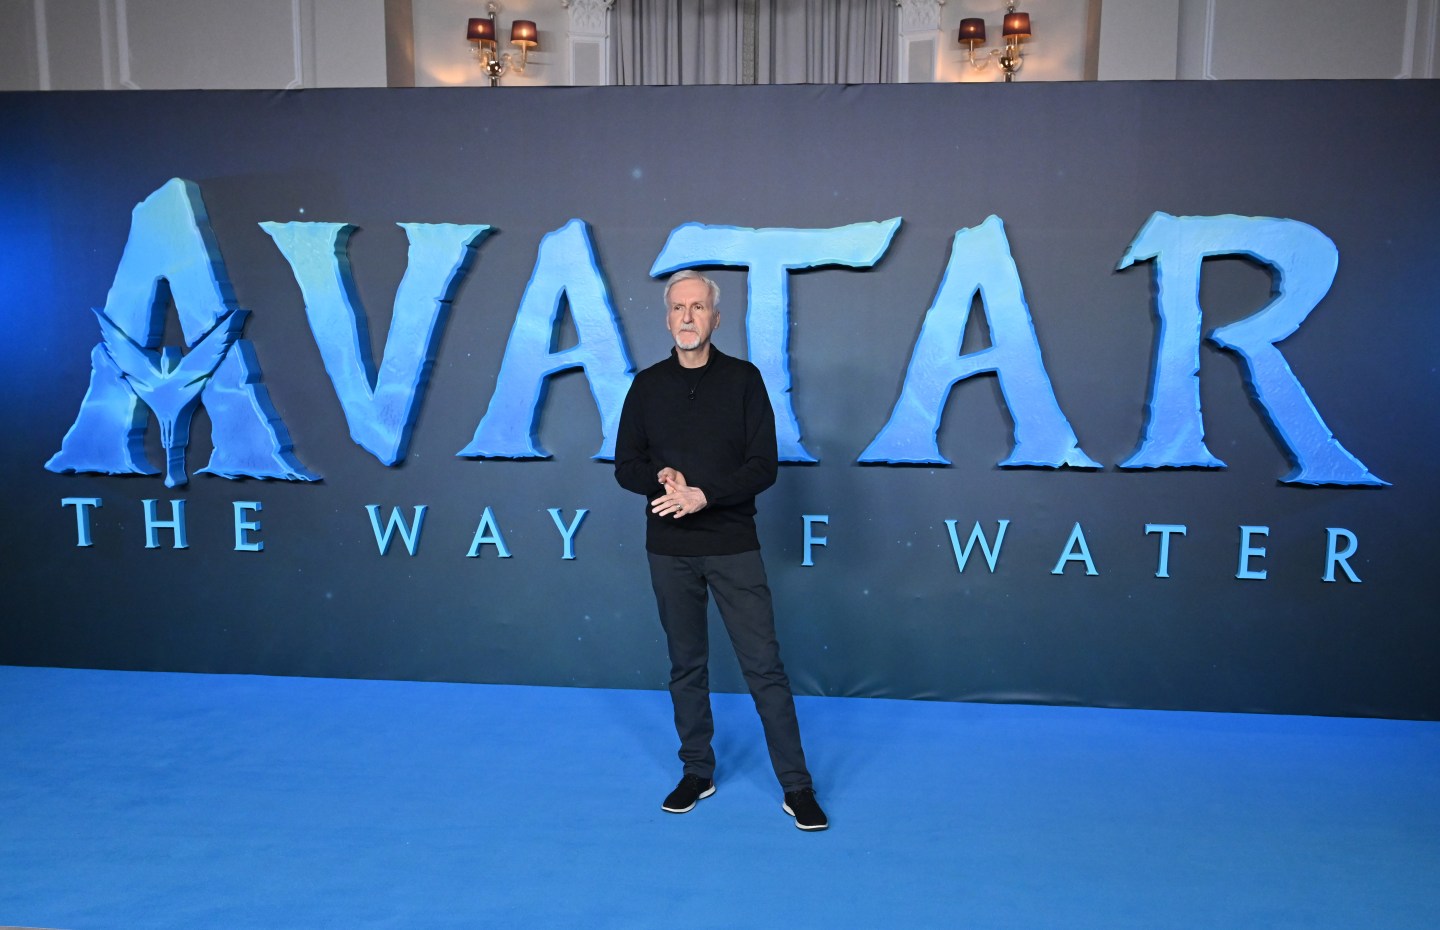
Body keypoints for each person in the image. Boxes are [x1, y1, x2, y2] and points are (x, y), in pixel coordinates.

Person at [614, 269, 827, 832]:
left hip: (733, 547)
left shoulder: (743, 380)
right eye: (678, 308)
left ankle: (797, 786)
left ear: (715, 317)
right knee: (686, 666)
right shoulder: (646, 386)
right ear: (667, 319)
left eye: (698, 307)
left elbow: (763, 466)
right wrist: (660, 478)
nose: (688, 317)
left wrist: (704, 495)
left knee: (764, 668)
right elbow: (625, 466)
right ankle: (696, 772)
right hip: (669, 549)